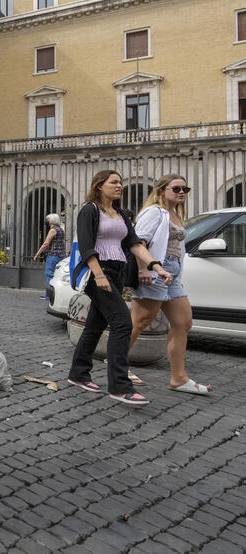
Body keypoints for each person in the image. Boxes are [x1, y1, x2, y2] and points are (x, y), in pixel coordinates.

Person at [67, 170, 171, 406]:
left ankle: (78, 373)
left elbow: (134, 244)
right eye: (114, 182)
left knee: (95, 325)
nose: (119, 185)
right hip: (98, 272)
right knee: (123, 322)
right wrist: (99, 274)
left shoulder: (122, 215)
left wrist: (156, 266)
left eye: (121, 182)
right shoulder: (89, 210)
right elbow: (85, 245)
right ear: (99, 185)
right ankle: (120, 386)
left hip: (116, 272)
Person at [128, 174, 213, 394]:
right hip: (155, 271)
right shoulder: (154, 212)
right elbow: (139, 242)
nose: (182, 192)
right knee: (140, 322)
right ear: (161, 190)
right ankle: (117, 363)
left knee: (183, 323)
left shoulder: (174, 214)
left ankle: (179, 378)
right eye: (176, 189)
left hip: (172, 275)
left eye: (185, 188)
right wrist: (143, 269)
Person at [33, 213, 67, 298]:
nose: (46, 221)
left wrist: (37, 254)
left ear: (51, 220)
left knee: (49, 275)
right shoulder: (60, 229)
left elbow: (45, 244)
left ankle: (48, 295)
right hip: (61, 255)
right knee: (58, 276)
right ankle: (57, 294)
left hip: (53, 256)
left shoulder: (53, 230)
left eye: (47, 219)